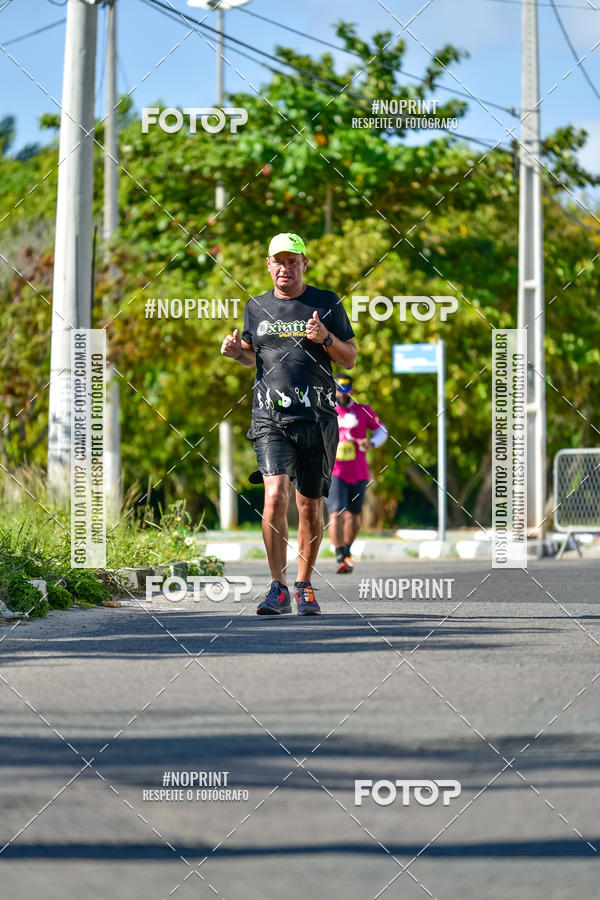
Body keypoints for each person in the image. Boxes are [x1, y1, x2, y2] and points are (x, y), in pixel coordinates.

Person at [220, 233, 357, 616]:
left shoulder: (326, 303)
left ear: (304, 264)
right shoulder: (256, 307)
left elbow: (349, 359)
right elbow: (252, 357)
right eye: (278, 261)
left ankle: (304, 585)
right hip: (270, 418)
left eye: (292, 260)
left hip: (316, 418)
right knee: (275, 496)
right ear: (268, 265)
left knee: (309, 506)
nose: (285, 267)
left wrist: (326, 337)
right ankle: (277, 587)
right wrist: (236, 354)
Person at [325, 374, 388, 573]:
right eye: (338, 390)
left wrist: (371, 443)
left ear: (351, 390)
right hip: (334, 471)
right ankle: (340, 554)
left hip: (359, 472)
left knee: (354, 516)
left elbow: (382, 430)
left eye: (345, 390)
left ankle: (347, 550)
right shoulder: (327, 410)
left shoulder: (363, 410)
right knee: (336, 513)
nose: (342, 395)